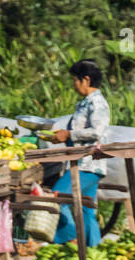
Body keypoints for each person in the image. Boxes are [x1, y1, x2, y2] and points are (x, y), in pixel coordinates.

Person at [49, 59, 111, 247]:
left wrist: (69, 134)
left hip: (88, 165)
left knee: (57, 197)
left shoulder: (97, 103)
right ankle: (94, 251)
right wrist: (62, 137)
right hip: (82, 163)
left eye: (75, 80)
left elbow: (96, 132)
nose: (74, 85)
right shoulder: (84, 103)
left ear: (86, 80)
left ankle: (70, 238)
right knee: (86, 209)